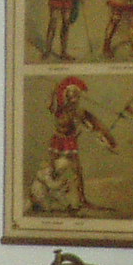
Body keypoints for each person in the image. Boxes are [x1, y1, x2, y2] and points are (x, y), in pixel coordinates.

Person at [30, 75, 116, 213]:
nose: (75, 98)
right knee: (53, 169)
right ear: (68, 96)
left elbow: (92, 125)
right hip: (57, 141)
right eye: (72, 95)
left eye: (77, 95)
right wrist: (53, 92)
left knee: (77, 170)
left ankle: (82, 199)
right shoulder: (60, 108)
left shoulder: (79, 112)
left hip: (70, 142)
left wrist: (105, 138)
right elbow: (51, 107)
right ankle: (50, 197)